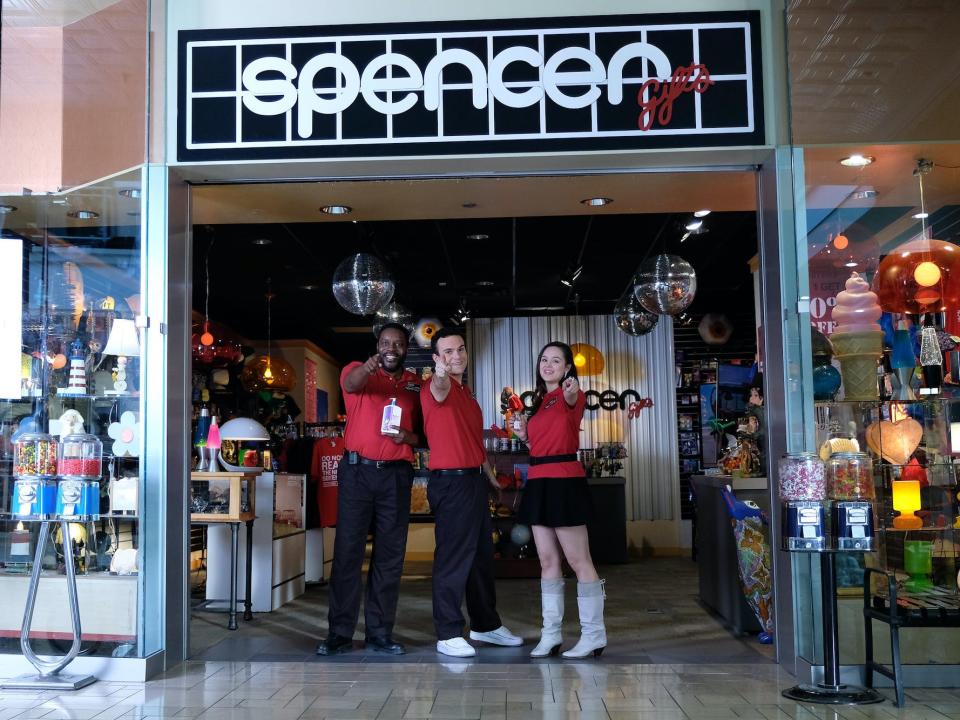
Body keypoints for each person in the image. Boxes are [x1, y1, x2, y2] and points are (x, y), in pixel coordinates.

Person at [316, 323, 421, 656]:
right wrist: (368, 367)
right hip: (357, 473)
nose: (392, 348)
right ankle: (340, 633)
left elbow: (426, 436)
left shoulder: (415, 386)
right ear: (378, 345)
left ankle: (379, 633)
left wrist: (409, 439)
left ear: (407, 348)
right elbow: (350, 383)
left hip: (396, 476)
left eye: (399, 343)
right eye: (386, 343)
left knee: (390, 557)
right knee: (348, 553)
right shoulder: (356, 371)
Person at [421, 327, 522, 658]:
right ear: (437, 358)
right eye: (447, 352)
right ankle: (448, 631)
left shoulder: (467, 395)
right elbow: (438, 387)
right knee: (453, 557)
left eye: (460, 349)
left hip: (473, 481)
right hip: (450, 483)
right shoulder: (435, 387)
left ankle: (486, 625)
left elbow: (474, 443)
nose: (456, 356)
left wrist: (490, 478)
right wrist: (438, 375)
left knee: (481, 556)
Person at [513, 341, 606, 659]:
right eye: (544, 359)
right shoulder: (540, 402)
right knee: (548, 562)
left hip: (564, 482)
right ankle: (550, 635)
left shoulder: (571, 395)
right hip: (538, 481)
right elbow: (540, 444)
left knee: (580, 562)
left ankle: (593, 636)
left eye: (556, 360)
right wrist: (524, 434)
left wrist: (571, 390)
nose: (548, 364)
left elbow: (572, 398)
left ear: (568, 367)